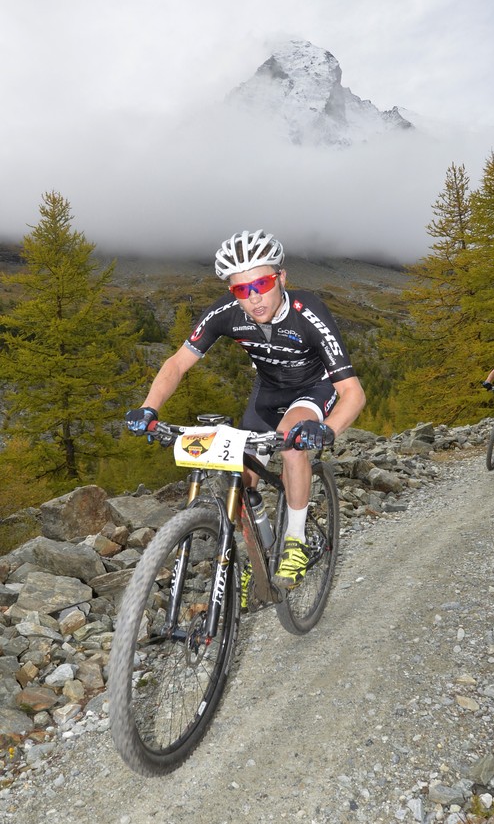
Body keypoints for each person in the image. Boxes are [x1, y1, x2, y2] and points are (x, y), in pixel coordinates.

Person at [125, 229, 366, 594]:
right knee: (238, 476)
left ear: (281, 278)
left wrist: (328, 429)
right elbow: (176, 363)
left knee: (291, 442)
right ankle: (258, 553)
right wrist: (149, 408)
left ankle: (296, 541)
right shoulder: (226, 313)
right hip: (267, 392)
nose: (253, 298)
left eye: (262, 284)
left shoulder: (308, 312)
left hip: (314, 388)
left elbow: (353, 392)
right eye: (241, 289)